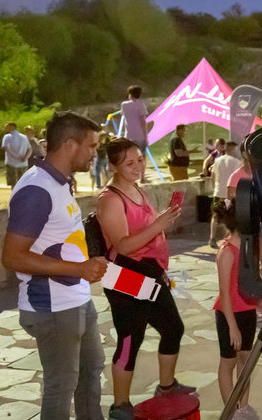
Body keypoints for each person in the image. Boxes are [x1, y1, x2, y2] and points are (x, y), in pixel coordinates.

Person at [2, 111, 107, 419]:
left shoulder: (58, 182)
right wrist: (79, 270)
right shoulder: (37, 189)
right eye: (92, 146)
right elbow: (11, 257)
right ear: (71, 144)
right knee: (61, 386)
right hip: (53, 308)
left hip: (76, 300)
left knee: (91, 371)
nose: (95, 153)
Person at [96, 139, 195, 419]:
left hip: (151, 272)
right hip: (125, 276)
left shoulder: (138, 190)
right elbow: (124, 246)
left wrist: (161, 224)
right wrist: (158, 225)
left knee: (173, 328)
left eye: (140, 160)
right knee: (130, 338)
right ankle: (120, 405)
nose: (138, 166)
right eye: (130, 163)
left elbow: (150, 233)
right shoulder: (110, 199)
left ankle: (166, 386)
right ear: (114, 165)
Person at [212, 200, 259, 416]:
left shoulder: (248, 246)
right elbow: (224, 292)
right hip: (228, 314)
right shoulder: (227, 252)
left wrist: (258, 305)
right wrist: (232, 326)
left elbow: (246, 282)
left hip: (247, 311)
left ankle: (244, 406)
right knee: (228, 362)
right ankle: (230, 410)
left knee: (245, 361)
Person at [226, 143, 262, 280]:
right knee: (246, 264)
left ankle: (253, 294)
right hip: (245, 226)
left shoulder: (261, 173)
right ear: (244, 154)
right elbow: (232, 204)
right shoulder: (236, 177)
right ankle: (247, 295)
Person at [209, 142, 241, 248]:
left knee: (215, 216)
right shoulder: (236, 162)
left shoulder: (217, 160)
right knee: (230, 216)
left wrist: (214, 188)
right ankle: (228, 239)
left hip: (218, 192)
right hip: (230, 193)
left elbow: (213, 176)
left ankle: (212, 238)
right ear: (233, 150)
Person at [120, 85, 148, 183]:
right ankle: (142, 177)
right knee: (142, 157)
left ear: (130, 94)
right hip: (140, 135)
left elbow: (125, 119)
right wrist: (146, 137)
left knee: (129, 158)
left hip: (129, 135)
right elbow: (143, 122)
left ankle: (130, 177)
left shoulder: (124, 105)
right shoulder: (141, 105)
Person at [1, 122, 31, 189]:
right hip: (23, 163)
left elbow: (6, 148)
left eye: (7, 126)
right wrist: (25, 157)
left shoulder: (7, 137)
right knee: (23, 182)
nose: (5, 128)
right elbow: (29, 149)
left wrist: (16, 156)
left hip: (11, 163)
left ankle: (14, 197)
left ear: (12, 127)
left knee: (13, 183)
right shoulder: (24, 137)